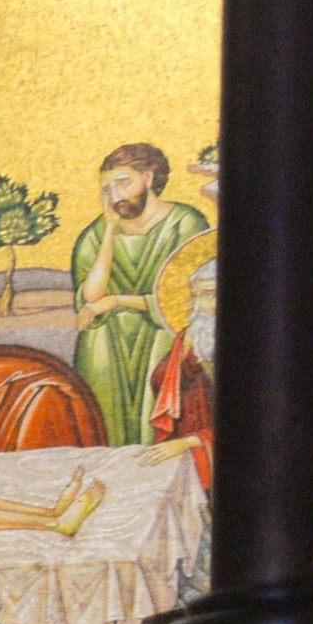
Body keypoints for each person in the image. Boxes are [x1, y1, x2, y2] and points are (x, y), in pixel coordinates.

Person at [70, 142, 209, 448]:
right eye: (107, 189)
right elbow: (92, 298)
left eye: (123, 183)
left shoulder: (186, 223)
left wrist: (119, 301)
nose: (115, 195)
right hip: (110, 338)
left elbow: (182, 299)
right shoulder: (95, 233)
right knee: (97, 346)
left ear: (148, 177)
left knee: (164, 351)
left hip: (161, 329)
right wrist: (110, 231)